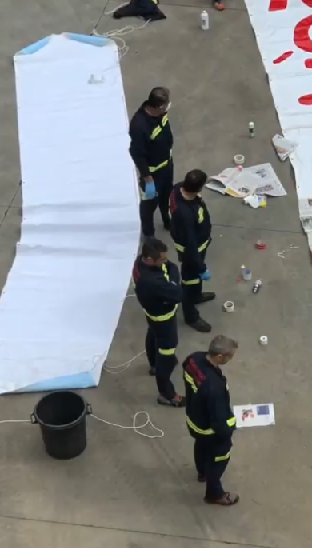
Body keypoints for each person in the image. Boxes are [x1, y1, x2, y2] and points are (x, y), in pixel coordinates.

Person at [182, 335, 239, 506]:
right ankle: (214, 494)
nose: (231, 359)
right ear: (220, 356)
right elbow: (219, 420)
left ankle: (202, 472)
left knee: (200, 446)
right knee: (219, 458)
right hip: (210, 430)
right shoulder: (214, 388)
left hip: (194, 419)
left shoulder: (194, 359)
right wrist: (229, 431)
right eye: (230, 356)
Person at [132, 238, 185, 407]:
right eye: (161, 259)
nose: (165, 261)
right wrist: (173, 278)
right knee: (167, 353)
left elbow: (170, 267)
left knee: (153, 335)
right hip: (164, 319)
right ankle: (167, 394)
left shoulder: (140, 262)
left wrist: (169, 270)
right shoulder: (153, 282)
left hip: (152, 314)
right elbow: (178, 293)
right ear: (149, 259)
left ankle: (154, 364)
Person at [169, 169, 215, 332]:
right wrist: (201, 267)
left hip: (196, 247)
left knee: (194, 279)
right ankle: (191, 316)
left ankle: (197, 295)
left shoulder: (177, 189)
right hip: (192, 252)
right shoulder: (186, 214)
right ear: (199, 188)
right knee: (189, 282)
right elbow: (190, 244)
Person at [129, 87, 174, 238]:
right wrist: (148, 178)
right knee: (148, 206)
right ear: (159, 106)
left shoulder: (161, 115)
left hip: (166, 165)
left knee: (166, 196)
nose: (168, 107)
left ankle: (167, 219)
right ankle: (149, 235)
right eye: (166, 104)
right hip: (152, 174)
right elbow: (137, 153)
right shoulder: (139, 126)